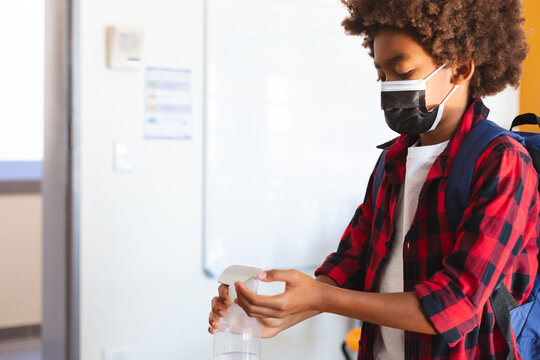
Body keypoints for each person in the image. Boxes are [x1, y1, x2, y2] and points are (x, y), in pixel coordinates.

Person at [208, 0, 539, 358]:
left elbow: (454, 305)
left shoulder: (501, 161)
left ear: (460, 68)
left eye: (403, 72)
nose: (388, 88)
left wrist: (319, 296)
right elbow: (353, 262)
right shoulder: (392, 160)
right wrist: (278, 314)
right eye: (382, 75)